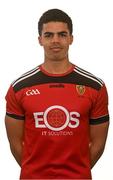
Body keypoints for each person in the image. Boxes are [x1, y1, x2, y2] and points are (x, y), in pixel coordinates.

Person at [5, 8, 109, 179]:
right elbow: (15, 143)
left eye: (62, 34)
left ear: (71, 39)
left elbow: (98, 143)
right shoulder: (19, 87)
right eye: (48, 35)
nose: (55, 40)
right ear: (40, 40)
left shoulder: (95, 86)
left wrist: (76, 172)